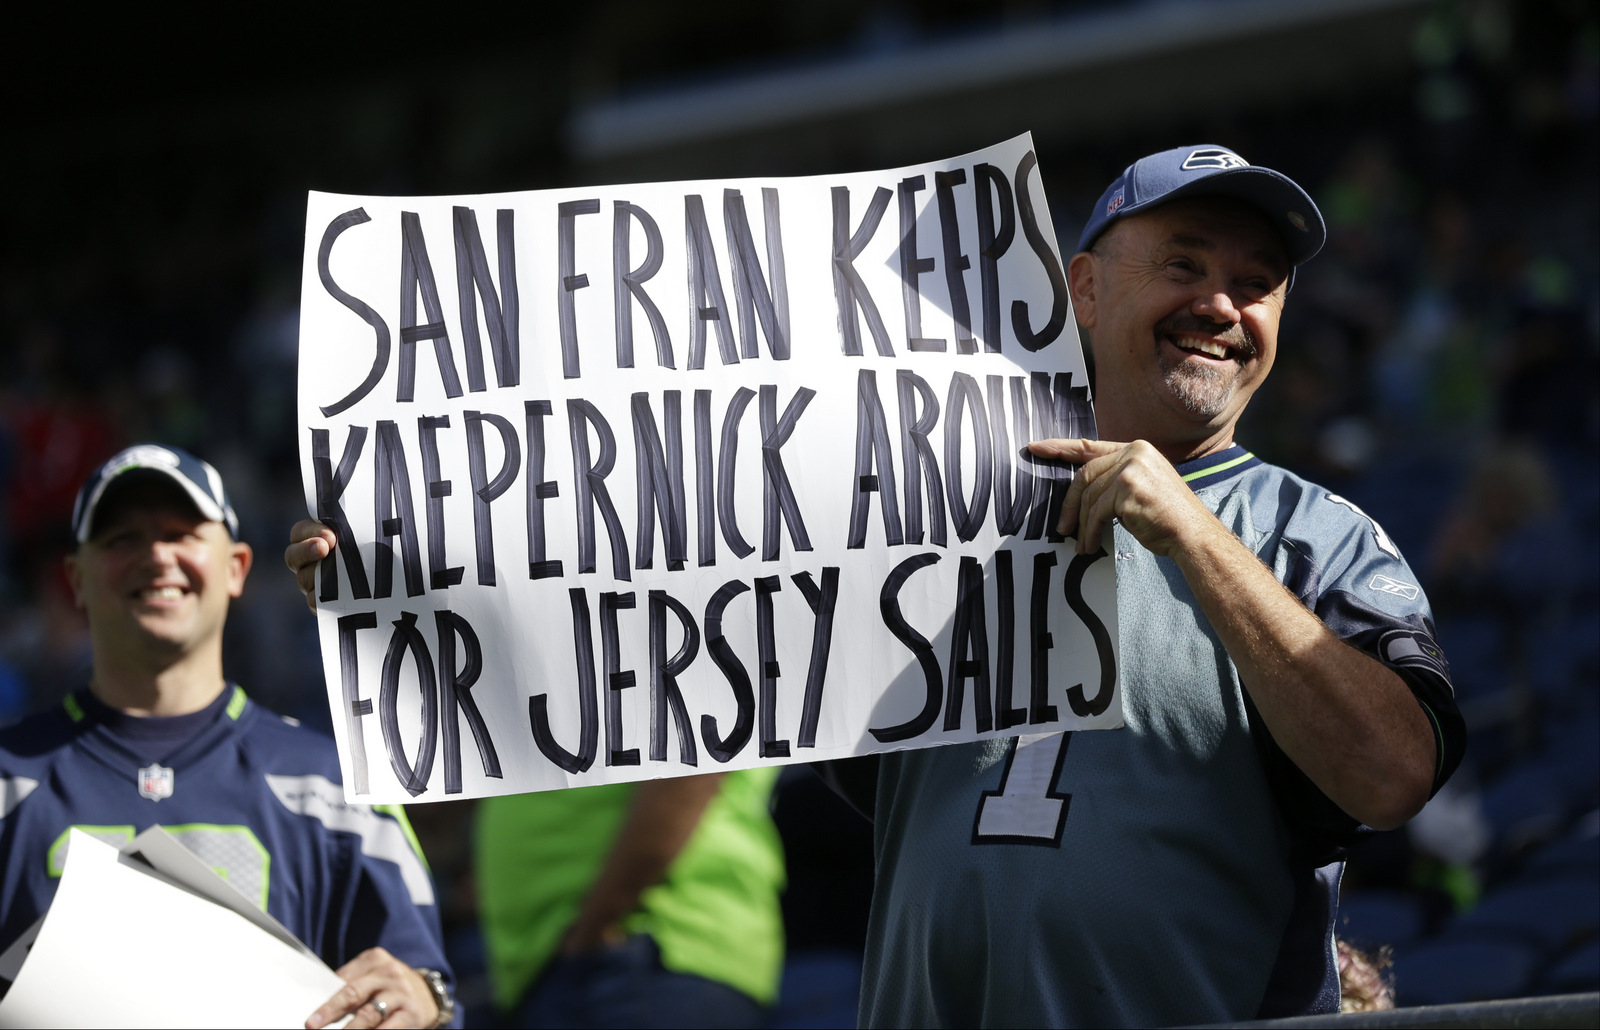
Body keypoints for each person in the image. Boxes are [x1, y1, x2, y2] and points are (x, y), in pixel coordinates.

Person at [826, 145, 1466, 1026]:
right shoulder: (937, 516)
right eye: (1183, 264)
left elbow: (1395, 775)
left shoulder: (1324, 540)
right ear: (1084, 288)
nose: (1220, 305)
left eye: (1257, 282)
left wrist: (1193, 531)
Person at [0, 444, 455, 1030]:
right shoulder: (10, 778)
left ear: (237, 567)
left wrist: (422, 1001)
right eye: (121, 540)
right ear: (75, 579)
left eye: (183, 533)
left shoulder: (334, 784)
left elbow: (423, 988)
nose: (157, 555)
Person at [286, 526, 786, 1029]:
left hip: (651, 955)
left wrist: (598, 925)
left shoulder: (681, 585)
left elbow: (697, 770)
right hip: (559, 968)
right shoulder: (555, 648)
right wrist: (365, 604)